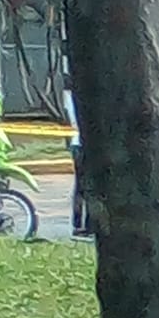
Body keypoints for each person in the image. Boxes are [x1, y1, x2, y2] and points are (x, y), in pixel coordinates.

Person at [62, 76, 89, 238]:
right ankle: (88, 225)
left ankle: (77, 222)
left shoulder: (67, 98)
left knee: (79, 186)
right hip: (83, 143)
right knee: (89, 187)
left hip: (74, 143)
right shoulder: (85, 99)